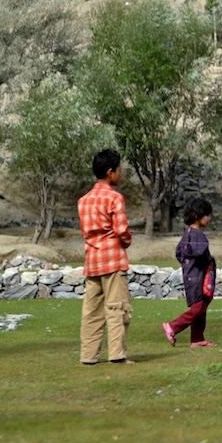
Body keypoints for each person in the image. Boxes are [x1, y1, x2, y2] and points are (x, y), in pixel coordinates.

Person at [78, 149, 134, 365]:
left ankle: (89, 356)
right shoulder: (114, 198)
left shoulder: (83, 200)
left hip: (92, 261)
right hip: (113, 260)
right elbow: (121, 230)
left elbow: (85, 232)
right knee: (117, 308)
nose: (120, 174)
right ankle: (117, 355)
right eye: (119, 170)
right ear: (110, 172)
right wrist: (128, 241)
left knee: (91, 311)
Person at [163, 197, 216, 349]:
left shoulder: (187, 233)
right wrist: (209, 260)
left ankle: (197, 338)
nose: (209, 218)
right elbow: (201, 254)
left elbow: (179, 253)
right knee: (198, 308)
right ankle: (172, 327)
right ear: (198, 215)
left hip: (190, 276)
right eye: (207, 215)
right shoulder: (197, 235)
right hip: (197, 278)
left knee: (201, 307)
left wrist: (187, 265)